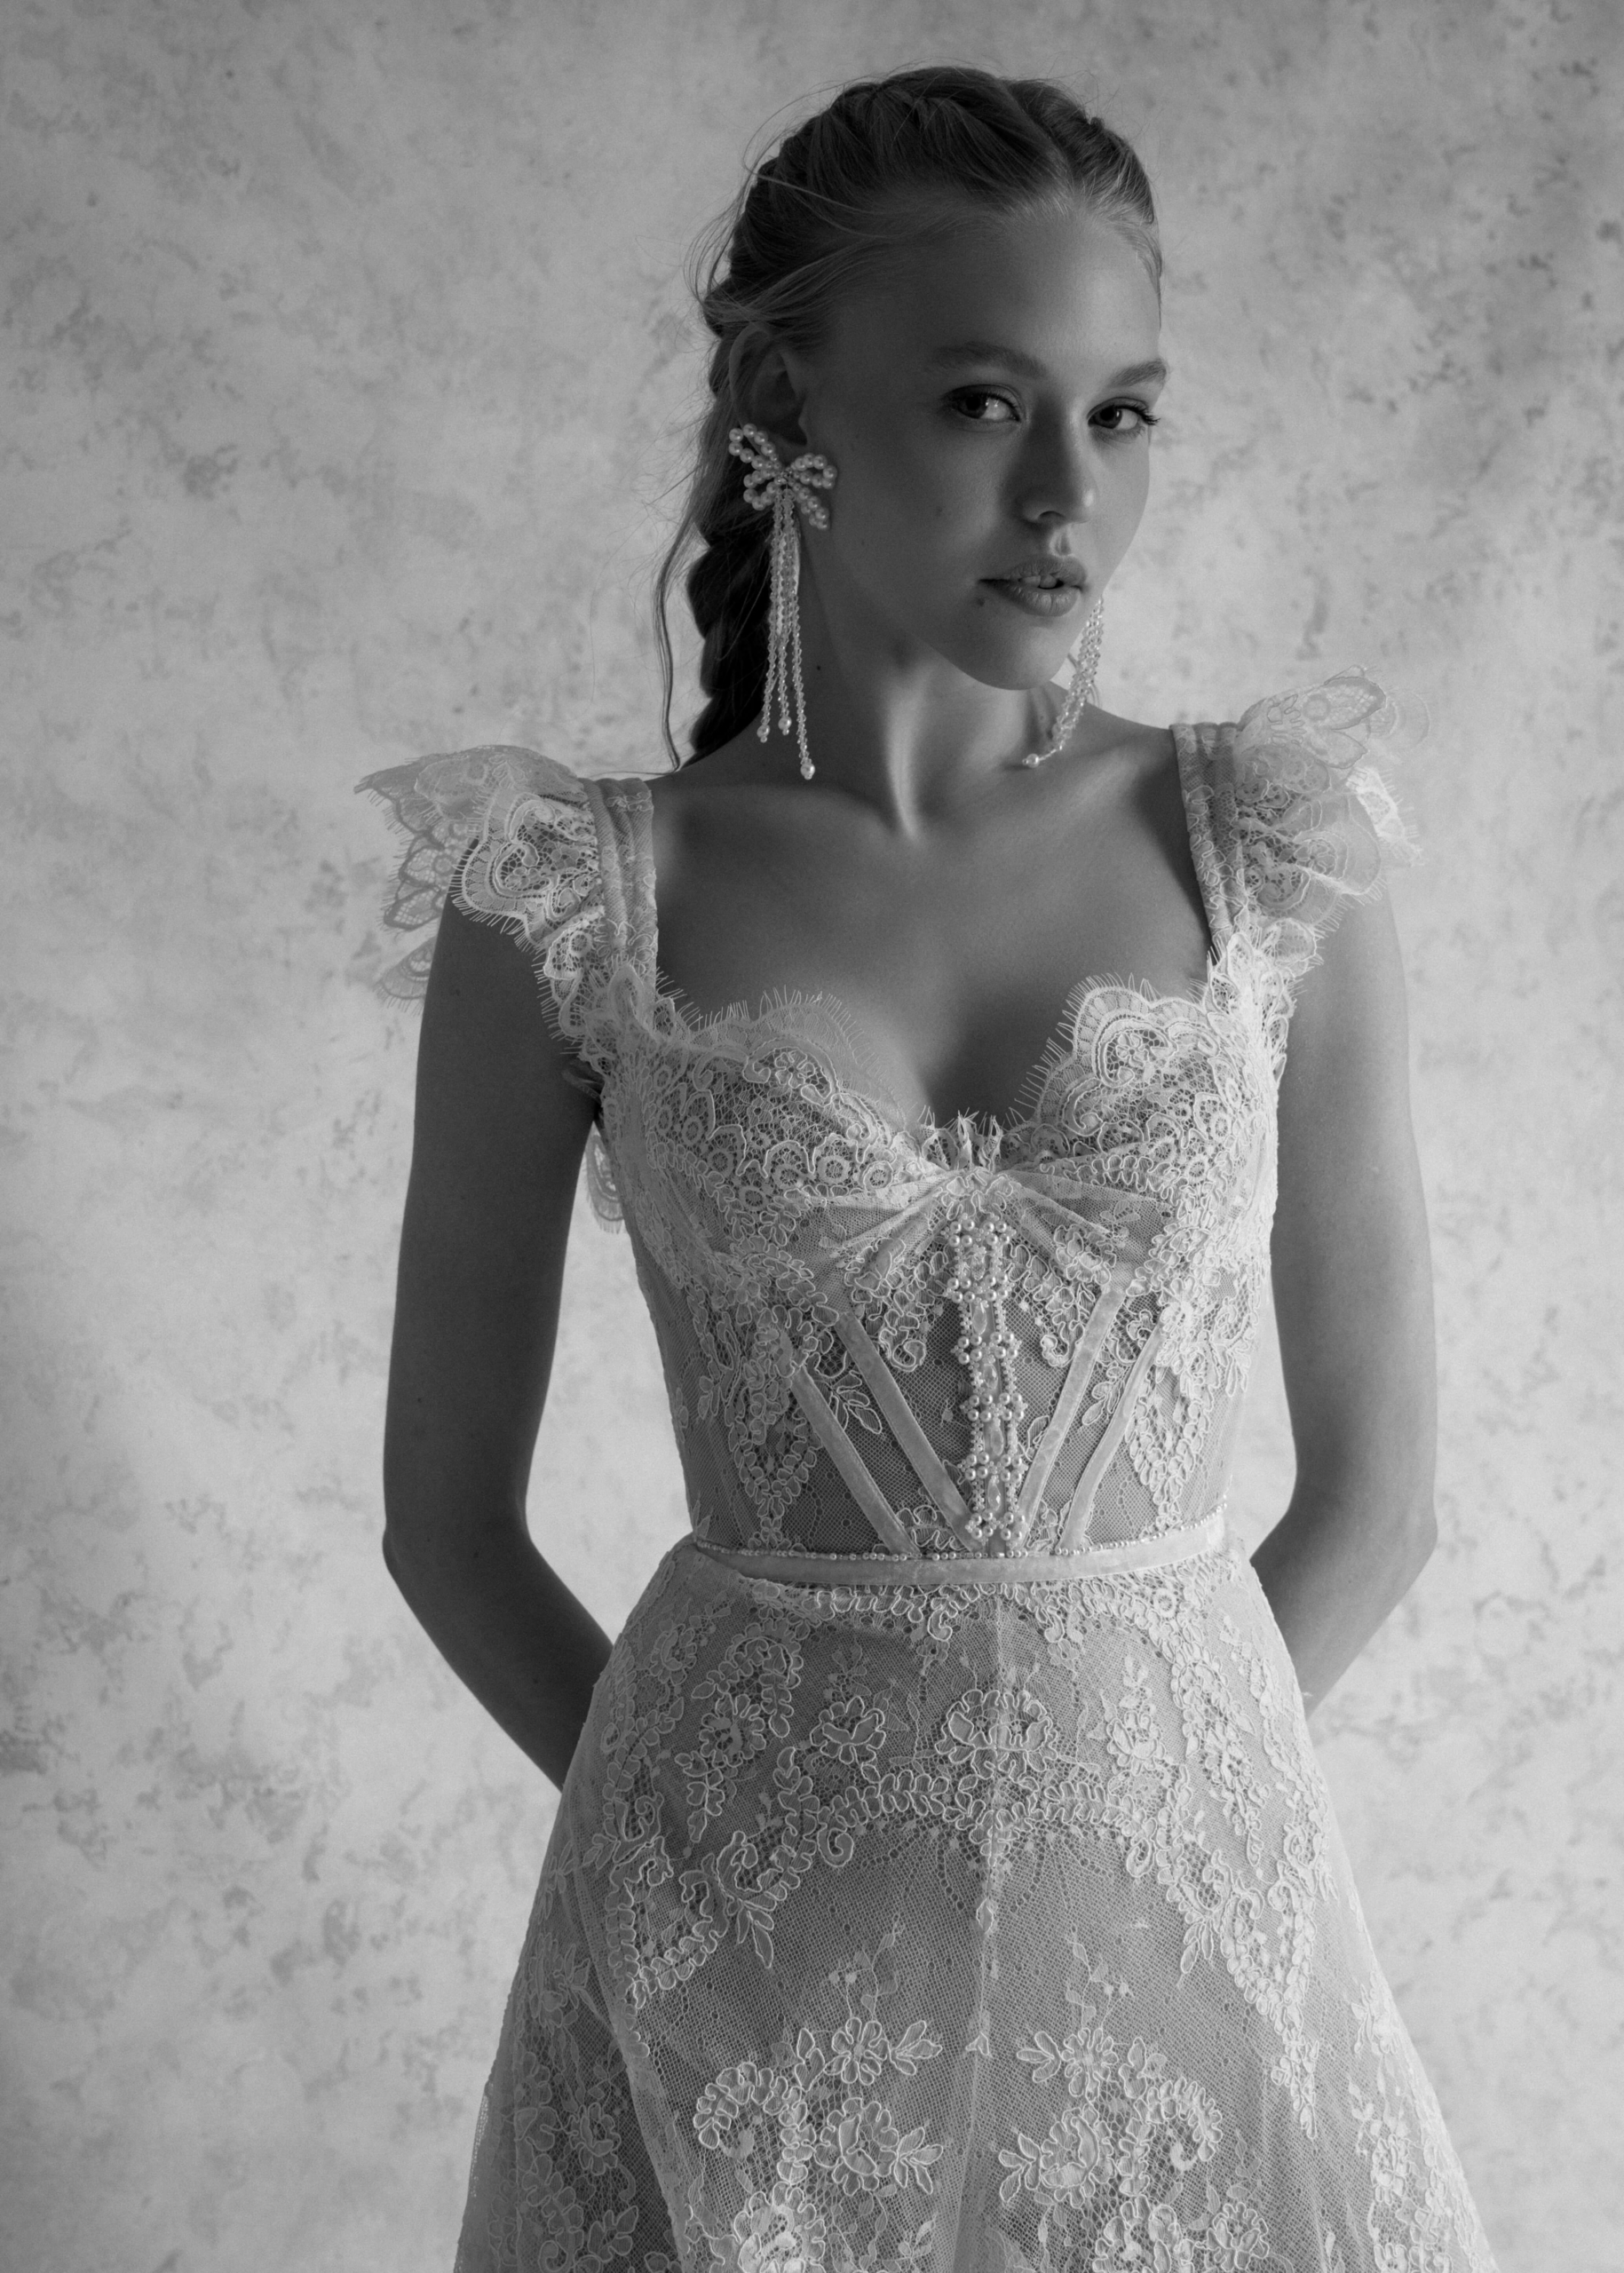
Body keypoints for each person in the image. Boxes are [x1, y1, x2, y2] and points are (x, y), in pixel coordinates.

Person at [360, 65, 1498, 2273]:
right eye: (987, 400)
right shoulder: (570, 897)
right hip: (724, 2006)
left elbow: (1380, 1497)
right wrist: (701, 1865)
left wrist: (1146, 1844)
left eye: (1124, 413)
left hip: (1183, 1973)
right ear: (785, 408)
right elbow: (446, 1521)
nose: (1072, 494)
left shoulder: (1268, 850)